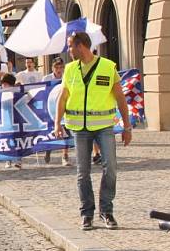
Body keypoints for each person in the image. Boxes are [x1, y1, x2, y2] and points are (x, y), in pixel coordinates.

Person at [53, 31, 132, 231]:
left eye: (70, 46)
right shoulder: (70, 69)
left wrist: (127, 126)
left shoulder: (107, 66)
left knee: (111, 168)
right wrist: (57, 123)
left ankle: (106, 211)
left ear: (81, 46)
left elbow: (120, 98)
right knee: (83, 172)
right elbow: (62, 98)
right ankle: (87, 214)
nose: (68, 50)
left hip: (104, 127)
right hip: (79, 128)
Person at [43, 58, 71, 166]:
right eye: (56, 67)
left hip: (64, 106)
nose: (59, 70)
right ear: (52, 68)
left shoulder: (66, 77)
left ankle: (65, 156)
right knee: (51, 131)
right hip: (50, 107)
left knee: (66, 131)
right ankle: (48, 149)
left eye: (61, 67)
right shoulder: (47, 78)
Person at [0, 74, 24, 170]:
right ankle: (8, 159)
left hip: (16, 120)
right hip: (6, 121)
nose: (2, 86)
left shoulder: (16, 93)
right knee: (7, 140)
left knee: (17, 140)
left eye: (4, 84)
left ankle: (18, 160)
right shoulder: (1, 93)